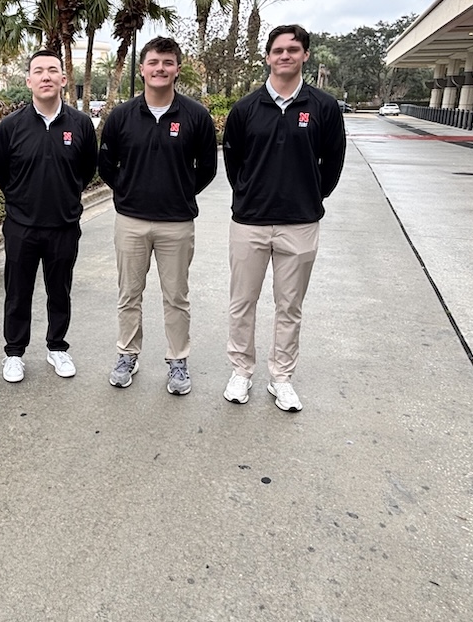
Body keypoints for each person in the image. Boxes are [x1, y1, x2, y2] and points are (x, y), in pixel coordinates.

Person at [221, 24, 346, 412]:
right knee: (242, 301)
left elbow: (333, 162)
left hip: (300, 223)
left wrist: (310, 196)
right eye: (278, 50)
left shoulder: (323, 107)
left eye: (293, 49)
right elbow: (233, 163)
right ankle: (241, 371)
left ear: (305, 55)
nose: (285, 55)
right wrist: (248, 196)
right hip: (250, 223)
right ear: (268, 57)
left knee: (289, 305)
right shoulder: (245, 109)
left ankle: (281, 378)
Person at [98, 36, 217, 396]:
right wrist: (129, 192)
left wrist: (178, 193)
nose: (160, 68)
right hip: (131, 222)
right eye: (153, 62)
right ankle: (127, 355)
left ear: (177, 69)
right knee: (128, 294)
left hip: (177, 224)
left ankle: (177, 360)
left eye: (167, 62)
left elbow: (208, 168)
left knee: (176, 297)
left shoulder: (195, 116)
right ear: (142, 69)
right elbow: (106, 164)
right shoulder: (121, 116)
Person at [0, 50, 98, 383]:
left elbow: (86, 170)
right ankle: (14, 353)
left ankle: (57, 347)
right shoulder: (11, 126)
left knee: (60, 290)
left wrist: (64, 197)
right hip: (21, 226)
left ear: (64, 79)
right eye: (38, 71)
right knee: (18, 292)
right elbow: (0, 171)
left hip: (64, 226)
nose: (46, 76)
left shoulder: (80, 124)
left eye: (53, 70)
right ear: (28, 80)